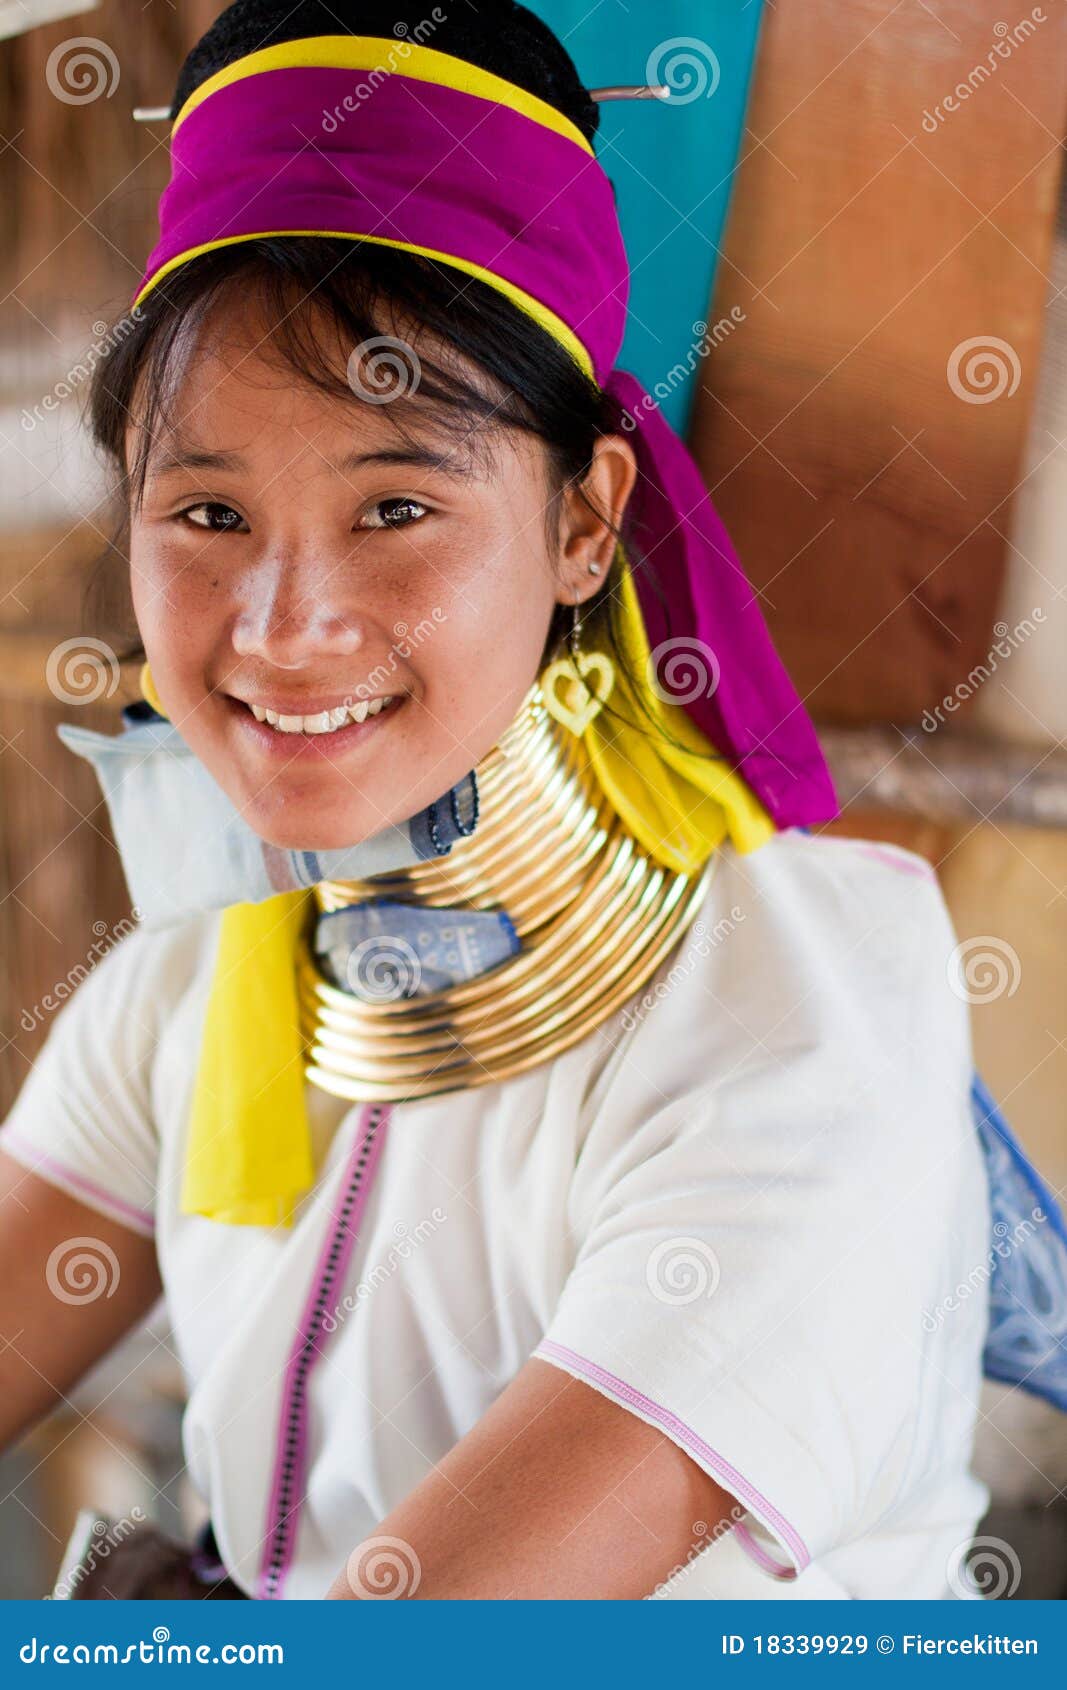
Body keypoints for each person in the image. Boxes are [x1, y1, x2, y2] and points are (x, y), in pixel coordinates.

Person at [0, 1, 995, 1600]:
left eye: (395, 503)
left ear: (587, 518)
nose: (279, 624)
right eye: (206, 509)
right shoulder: (194, 984)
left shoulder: (795, 1007)